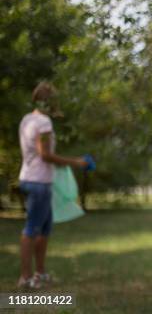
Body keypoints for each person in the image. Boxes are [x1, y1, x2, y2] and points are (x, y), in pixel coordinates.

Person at [17, 81, 94, 289]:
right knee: (32, 229)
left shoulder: (27, 119)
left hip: (31, 178)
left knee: (44, 229)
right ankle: (25, 278)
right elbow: (46, 156)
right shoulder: (44, 123)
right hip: (38, 182)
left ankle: (40, 273)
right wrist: (76, 162)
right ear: (48, 102)